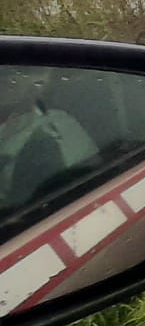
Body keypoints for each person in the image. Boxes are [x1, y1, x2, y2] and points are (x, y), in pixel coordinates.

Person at [0, 67, 101, 221]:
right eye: (6, 73)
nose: (8, 79)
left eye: (21, 72)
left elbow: (23, 215)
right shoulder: (57, 119)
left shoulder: (43, 141)